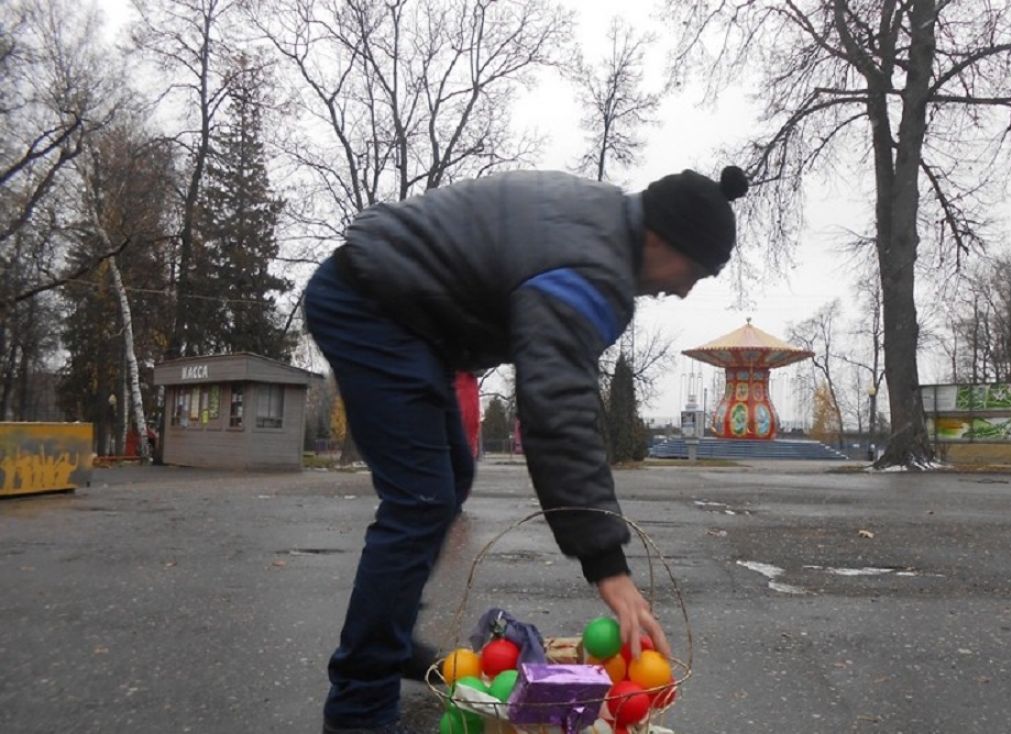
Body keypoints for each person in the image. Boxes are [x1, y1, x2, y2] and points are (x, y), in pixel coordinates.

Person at [304, 164, 749, 734]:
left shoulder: (600, 224)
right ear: (661, 238)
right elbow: (558, 408)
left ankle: (387, 637)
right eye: (694, 272)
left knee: (446, 480)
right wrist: (608, 565)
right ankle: (358, 708)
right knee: (419, 501)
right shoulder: (594, 266)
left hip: (403, 316)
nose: (684, 289)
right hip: (369, 305)